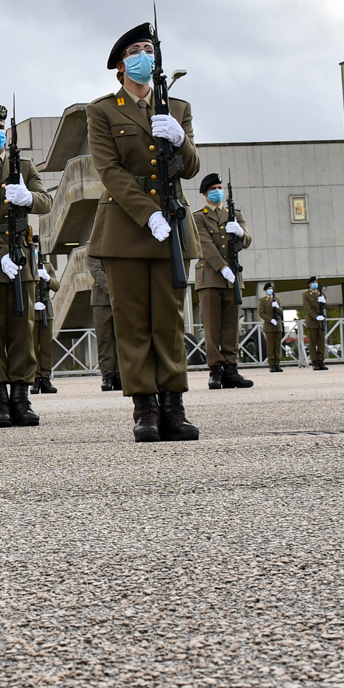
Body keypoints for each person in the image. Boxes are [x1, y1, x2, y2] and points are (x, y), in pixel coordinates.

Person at [84, 28, 198, 441]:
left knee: (169, 321)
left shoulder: (177, 106)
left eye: (148, 51)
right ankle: (144, 408)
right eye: (135, 52)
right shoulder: (102, 111)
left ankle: (173, 405)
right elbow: (110, 171)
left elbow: (191, 167)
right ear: (120, 65)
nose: (143, 57)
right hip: (127, 229)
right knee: (132, 322)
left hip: (171, 224)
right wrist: (147, 214)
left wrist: (180, 140)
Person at [0, 105, 56, 429]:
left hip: (21, 259)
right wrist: (0, 254)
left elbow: (46, 201)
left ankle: (21, 397)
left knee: (21, 332)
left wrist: (27, 197)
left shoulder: (25, 166)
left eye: (1, 126)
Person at [191, 174, 253, 390]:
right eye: (213, 188)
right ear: (205, 193)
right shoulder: (198, 217)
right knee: (212, 326)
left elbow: (247, 241)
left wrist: (240, 233)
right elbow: (204, 244)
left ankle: (231, 368)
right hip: (210, 275)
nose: (218, 191)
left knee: (231, 326)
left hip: (232, 277)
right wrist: (222, 267)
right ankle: (215, 369)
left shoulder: (234, 214)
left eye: (219, 187)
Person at [29, 235, 59, 395]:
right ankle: (35, 378)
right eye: (32, 246)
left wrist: (47, 278)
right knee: (33, 346)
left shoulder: (47, 266)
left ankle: (45, 378)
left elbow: (56, 286)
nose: (35, 249)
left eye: (36, 246)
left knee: (46, 347)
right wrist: (32, 302)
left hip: (46, 311)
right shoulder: (25, 266)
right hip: (32, 311)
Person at [300, 279, 330, 370]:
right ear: (309, 284)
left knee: (321, 342)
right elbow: (307, 308)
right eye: (313, 283)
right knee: (312, 343)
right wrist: (315, 316)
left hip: (321, 322)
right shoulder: (306, 295)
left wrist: (324, 302)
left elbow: (327, 307)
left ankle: (321, 361)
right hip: (312, 321)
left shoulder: (321, 294)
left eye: (316, 283)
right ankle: (314, 362)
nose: (315, 284)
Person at [255, 283, 285, 373]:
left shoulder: (277, 300)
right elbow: (261, 313)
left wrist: (278, 308)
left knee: (277, 346)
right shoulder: (263, 300)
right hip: (269, 326)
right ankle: (271, 364)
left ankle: (277, 363)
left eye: (271, 289)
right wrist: (270, 320)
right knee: (270, 346)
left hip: (278, 326)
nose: (270, 290)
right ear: (265, 290)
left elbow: (281, 312)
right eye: (268, 289)